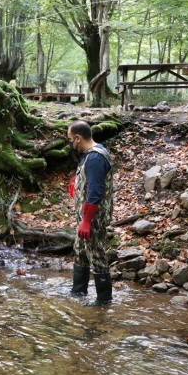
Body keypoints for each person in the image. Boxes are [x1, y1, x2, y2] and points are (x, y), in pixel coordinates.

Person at [67, 121, 114, 306]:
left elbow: (95, 193)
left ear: (78, 138)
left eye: (71, 140)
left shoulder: (95, 158)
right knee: (80, 252)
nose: (72, 144)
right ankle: (78, 291)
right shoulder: (93, 153)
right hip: (85, 217)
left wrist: (86, 221)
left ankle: (103, 300)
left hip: (94, 218)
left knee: (97, 255)